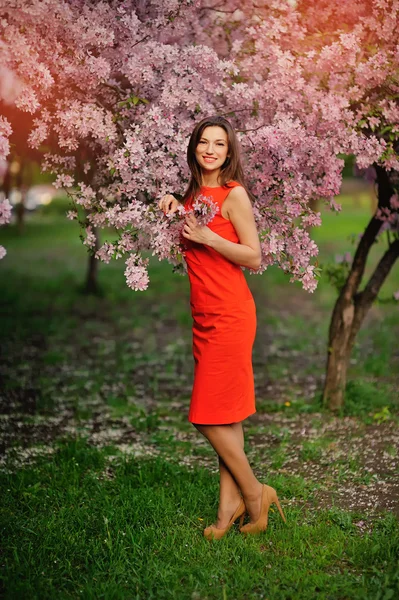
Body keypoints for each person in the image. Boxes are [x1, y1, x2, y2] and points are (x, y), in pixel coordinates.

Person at [158, 115, 286, 540]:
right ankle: (227, 508)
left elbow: (253, 256)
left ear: (229, 153)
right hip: (203, 315)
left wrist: (210, 238)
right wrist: (174, 205)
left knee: (206, 416)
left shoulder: (234, 195)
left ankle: (255, 494)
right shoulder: (196, 193)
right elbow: (192, 230)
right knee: (226, 415)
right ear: (194, 148)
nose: (210, 149)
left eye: (219, 144)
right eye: (203, 143)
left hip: (231, 314)